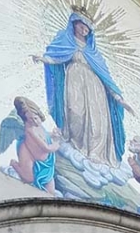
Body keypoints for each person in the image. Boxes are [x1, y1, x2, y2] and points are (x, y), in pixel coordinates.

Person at [32, 9, 133, 168]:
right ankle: (73, 144)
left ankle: (94, 153)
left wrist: (119, 98)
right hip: (75, 79)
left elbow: (106, 76)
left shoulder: (93, 52)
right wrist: (43, 59)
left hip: (95, 87)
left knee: (97, 119)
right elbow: (57, 56)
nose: (84, 30)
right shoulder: (66, 40)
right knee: (75, 110)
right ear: (75, 23)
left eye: (87, 28)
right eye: (82, 26)